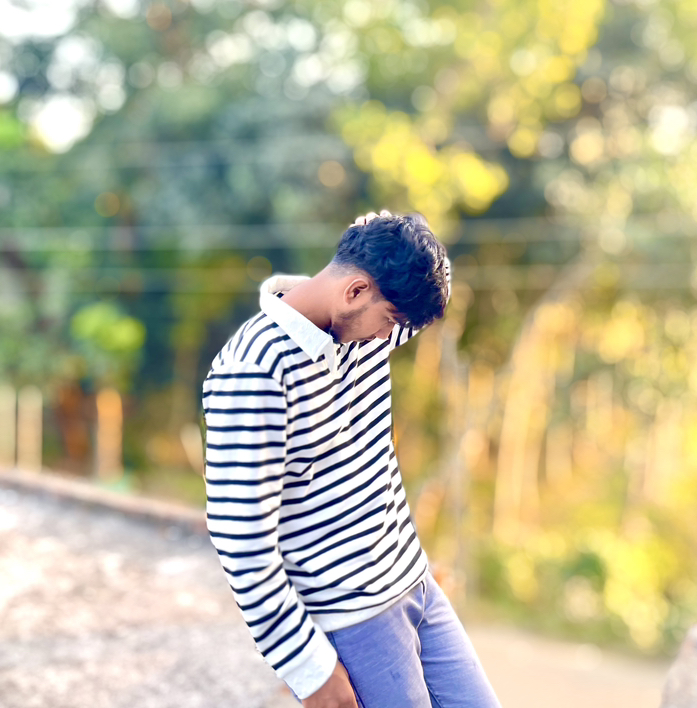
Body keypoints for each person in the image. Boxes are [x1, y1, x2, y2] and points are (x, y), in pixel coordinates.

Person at [202, 212, 501, 708]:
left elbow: (424, 286)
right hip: (354, 620)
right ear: (356, 291)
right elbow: (241, 540)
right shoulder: (253, 371)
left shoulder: (360, 325)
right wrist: (309, 669)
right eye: (390, 322)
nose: (390, 338)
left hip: (414, 584)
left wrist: (399, 227)